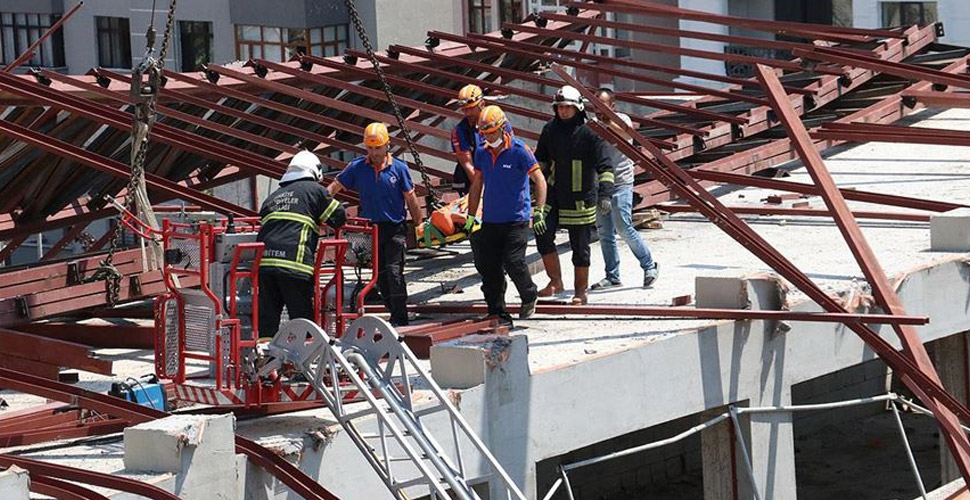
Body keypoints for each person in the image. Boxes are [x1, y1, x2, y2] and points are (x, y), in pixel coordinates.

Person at [328, 122, 425, 326]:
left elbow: (411, 198)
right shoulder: (358, 167)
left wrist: (419, 224)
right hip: (371, 230)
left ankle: (401, 318)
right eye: (370, 148)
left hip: (394, 229)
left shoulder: (399, 168)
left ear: (387, 145)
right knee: (379, 276)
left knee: (394, 272)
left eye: (377, 148)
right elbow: (336, 185)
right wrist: (322, 203)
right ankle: (393, 312)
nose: (373, 153)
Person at [464, 105, 548, 323]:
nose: (488, 136)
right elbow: (477, 185)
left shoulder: (520, 150)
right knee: (489, 268)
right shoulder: (482, 152)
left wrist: (538, 210)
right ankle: (497, 312)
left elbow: (540, 180)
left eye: (491, 132)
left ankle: (529, 294)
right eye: (484, 133)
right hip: (491, 220)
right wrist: (472, 216)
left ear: (502, 128)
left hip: (516, 220)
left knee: (513, 261)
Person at [533, 85, 614, 305]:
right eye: (559, 107)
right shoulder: (549, 130)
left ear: (577, 107)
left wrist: (605, 195)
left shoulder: (591, 133)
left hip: (581, 200)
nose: (563, 111)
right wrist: (535, 191)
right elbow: (540, 162)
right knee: (542, 233)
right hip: (554, 196)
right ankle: (555, 282)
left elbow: (606, 168)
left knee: (580, 247)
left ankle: (580, 291)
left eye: (567, 107)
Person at [257, 150, 347, 339]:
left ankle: (266, 359)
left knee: (268, 319)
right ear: (315, 172)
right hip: (294, 265)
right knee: (302, 317)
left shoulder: (272, 197)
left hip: (265, 265)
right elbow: (339, 218)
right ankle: (304, 360)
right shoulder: (314, 190)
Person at [590, 88, 659, 290]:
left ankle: (649, 265)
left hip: (621, 182)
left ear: (612, 106)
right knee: (605, 232)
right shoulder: (591, 124)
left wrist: (605, 122)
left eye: (603, 105)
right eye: (596, 105)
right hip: (600, 185)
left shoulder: (622, 120)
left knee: (623, 226)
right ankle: (612, 275)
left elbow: (625, 133)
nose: (598, 109)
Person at [451, 84, 513, 196]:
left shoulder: (500, 122)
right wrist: (484, 190)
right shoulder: (460, 131)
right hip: (472, 180)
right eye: (464, 110)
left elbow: (509, 152)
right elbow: (468, 165)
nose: (467, 113)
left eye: (471, 109)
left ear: (482, 104)